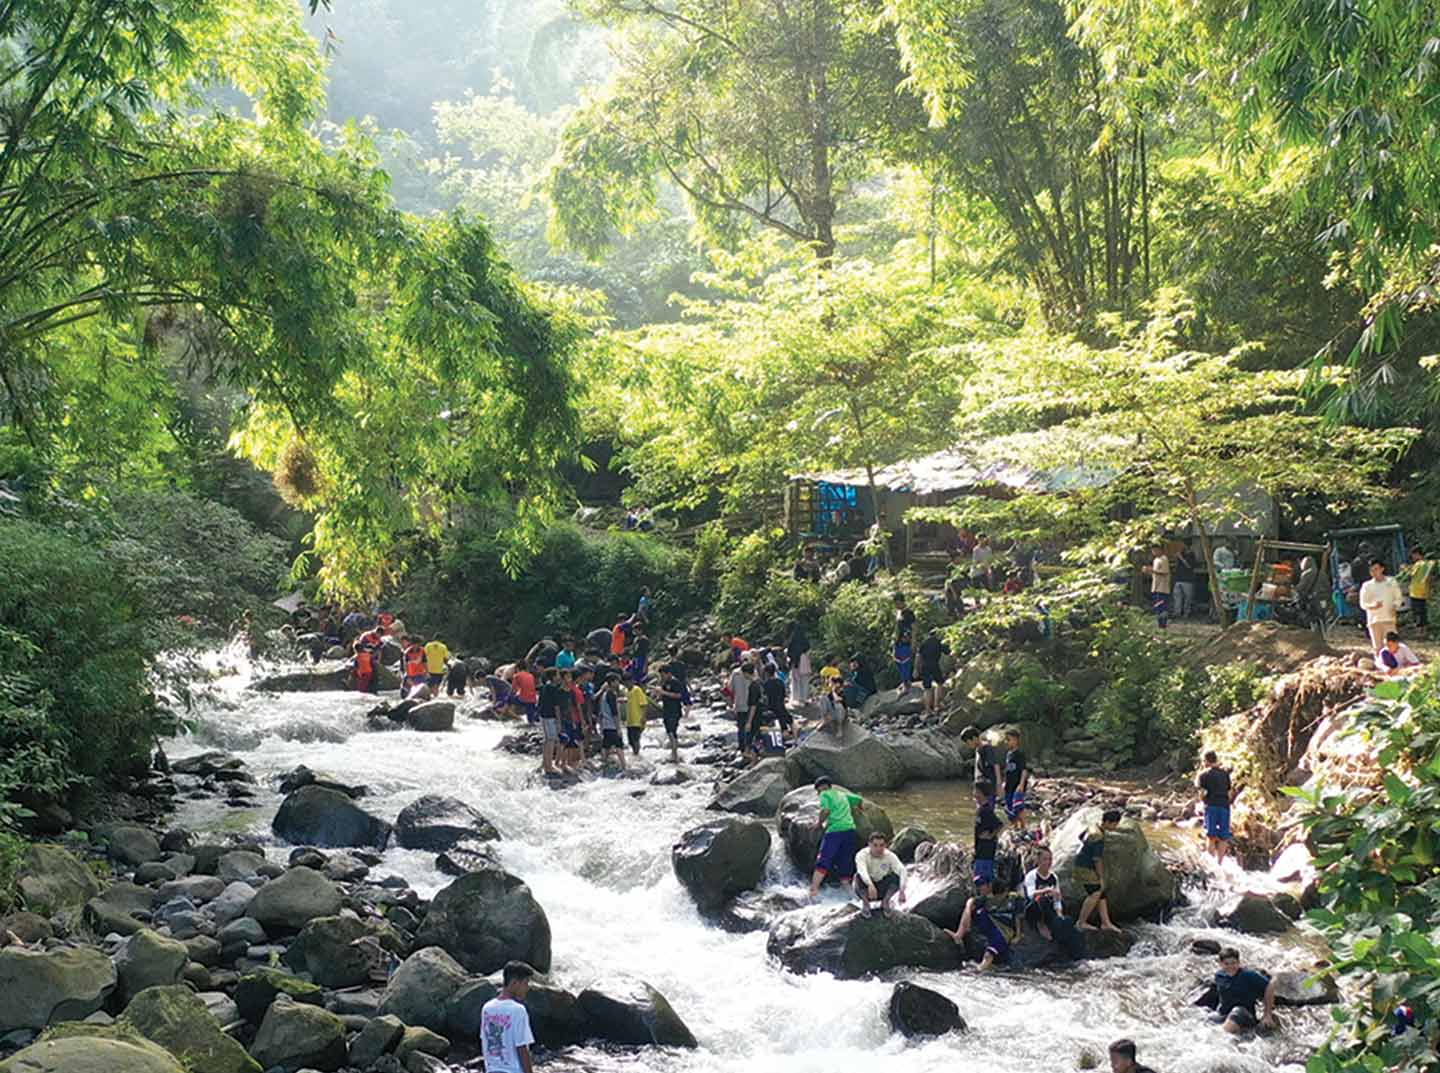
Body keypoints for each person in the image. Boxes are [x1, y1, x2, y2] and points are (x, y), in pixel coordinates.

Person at [809, 776, 863, 898]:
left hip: (835, 831)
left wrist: (818, 824)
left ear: (820, 789)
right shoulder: (842, 794)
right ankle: (848, 889)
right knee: (846, 859)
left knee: (824, 858)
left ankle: (813, 889)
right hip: (850, 830)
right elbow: (859, 799)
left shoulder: (825, 795)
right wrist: (860, 809)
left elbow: (826, 811)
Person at [944, 874, 1009, 970]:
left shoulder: (992, 898)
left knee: (989, 954)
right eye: (978, 886)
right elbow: (970, 904)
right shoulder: (982, 899)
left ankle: (981, 968)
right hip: (988, 928)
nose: (979, 888)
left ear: (989, 885)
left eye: (981, 885)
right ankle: (959, 935)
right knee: (971, 907)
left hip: (999, 932)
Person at [480, 960, 536, 1073]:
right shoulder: (518, 1010)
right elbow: (522, 1048)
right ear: (514, 983)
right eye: (526, 983)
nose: (527, 988)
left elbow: (485, 1041)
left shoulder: (487, 1008)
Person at [1075, 809, 1123, 932]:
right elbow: (1097, 859)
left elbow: (1080, 836)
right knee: (1095, 892)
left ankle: (1106, 923)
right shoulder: (1098, 837)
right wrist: (1101, 877)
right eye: (1114, 824)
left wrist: (1086, 848)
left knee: (1102, 893)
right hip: (1085, 867)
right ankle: (1081, 922)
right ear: (1107, 822)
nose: (1115, 827)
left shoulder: (1093, 827)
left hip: (1082, 862)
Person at [1213, 947, 1278, 1033]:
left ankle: (1222, 1038)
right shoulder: (1219, 976)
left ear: (1239, 962)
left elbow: (1270, 984)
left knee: (1237, 1011)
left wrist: (1267, 1014)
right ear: (1220, 964)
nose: (1230, 966)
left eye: (1233, 963)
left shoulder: (1248, 975)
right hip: (1224, 1014)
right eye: (1226, 964)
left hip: (1244, 1015)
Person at [854, 831, 906, 917]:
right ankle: (866, 904)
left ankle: (885, 902)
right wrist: (870, 884)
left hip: (882, 887)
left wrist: (902, 890)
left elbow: (902, 870)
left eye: (881, 845)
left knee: (896, 877)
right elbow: (862, 871)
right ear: (869, 845)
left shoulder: (890, 856)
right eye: (875, 845)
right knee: (858, 877)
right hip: (867, 889)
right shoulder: (861, 855)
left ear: (885, 845)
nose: (878, 849)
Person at [1197, 750, 1236, 864]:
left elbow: (1202, 793)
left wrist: (1203, 802)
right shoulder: (1225, 774)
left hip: (1211, 806)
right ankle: (1220, 862)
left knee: (1211, 835)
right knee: (1224, 836)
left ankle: (1210, 863)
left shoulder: (1203, 775)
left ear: (1206, 761)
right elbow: (1229, 793)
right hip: (1224, 806)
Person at [1360, 558, 1404, 652]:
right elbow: (1363, 603)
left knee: (1393, 646)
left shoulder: (1391, 582)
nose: (1374, 572)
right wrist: (1373, 606)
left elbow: (1398, 598)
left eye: (1376, 569)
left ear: (1382, 569)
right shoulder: (1367, 585)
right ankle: (1380, 665)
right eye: (1372, 570)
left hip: (1389, 618)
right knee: (1378, 647)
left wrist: (1394, 607)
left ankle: (1395, 665)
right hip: (1374, 620)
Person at [972, 779, 1001, 885]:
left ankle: (986, 897)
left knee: (982, 880)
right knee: (980, 879)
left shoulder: (986, 810)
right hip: (980, 850)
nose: (973, 793)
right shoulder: (981, 809)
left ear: (981, 793)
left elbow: (999, 824)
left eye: (975, 790)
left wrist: (990, 835)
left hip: (986, 851)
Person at [537, 668, 564, 776]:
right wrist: (559, 721)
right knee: (551, 740)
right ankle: (549, 767)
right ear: (553, 677)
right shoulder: (552, 688)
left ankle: (545, 763)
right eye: (557, 675)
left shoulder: (544, 687)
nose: (559, 677)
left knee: (547, 740)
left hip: (543, 716)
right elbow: (556, 706)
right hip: (550, 717)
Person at [1002, 727, 1030, 832]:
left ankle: (1023, 827)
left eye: (1008, 740)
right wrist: (1004, 782)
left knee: (1018, 807)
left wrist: (1021, 785)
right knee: (1009, 808)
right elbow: (1007, 770)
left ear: (1016, 740)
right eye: (1006, 740)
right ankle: (1015, 827)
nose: (1006, 742)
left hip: (1017, 785)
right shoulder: (1008, 754)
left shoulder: (1020, 755)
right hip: (1009, 785)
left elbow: (1024, 770)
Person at [597, 673, 626, 770]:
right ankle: (624, 766)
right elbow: (615, 713)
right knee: (619, 745)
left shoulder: (604, 694)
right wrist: (618, 728)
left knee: (606, 745)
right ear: (612, 682)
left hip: (606, 725)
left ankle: (603, 764)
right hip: (612, 725)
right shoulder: (611, 694)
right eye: (617, 681)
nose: (618, 683)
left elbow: (601, 712)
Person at [961, 726, 1004, 791]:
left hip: (991, 782)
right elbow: (977, 769)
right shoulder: (978, 750)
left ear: (974, 738)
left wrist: (999, 784)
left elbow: (996, 765)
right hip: (984, 783)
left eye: (968, 742)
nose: (968, 745)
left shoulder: (987, 748)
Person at [760, 663, 792, 745]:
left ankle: (771, 741)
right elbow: (784, 695)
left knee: (767, 723)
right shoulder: (780, 682)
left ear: (766, 673)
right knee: (786, 722)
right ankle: (791, 739)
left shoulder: (766, 684)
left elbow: (765, 697)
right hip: (781, 706)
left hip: (771, 707)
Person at [659, 668, 684, 763]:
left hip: (674, 711)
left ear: (669, 673)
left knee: (672, 731)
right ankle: (674, 752)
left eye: (663, 675)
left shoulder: (675, 682)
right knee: (669, 731)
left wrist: (664, 693)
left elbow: (678, 695)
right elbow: (663, 695)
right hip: (666, 710)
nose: (662, 677)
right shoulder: (664, 683)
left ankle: (675, 754)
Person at [1143, 544, 1172, 628]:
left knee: (1162, 606)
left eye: (1154, 550)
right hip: (1155, 586)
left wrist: (1151, 570)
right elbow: (1155, 572)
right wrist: (1149, 571)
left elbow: (1164, 571)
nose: (1153, 552)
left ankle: (1163, 624)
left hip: (1162, 587)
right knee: (1157, 606)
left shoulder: (1164, 559)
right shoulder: (1155, 560)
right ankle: (1159, 623)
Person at [785, 621, 812, 706]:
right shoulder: (804, 639)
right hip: (804, 663)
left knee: (796, 681)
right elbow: (808, 649)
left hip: (795, 664)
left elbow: (789, 653)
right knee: (805, 681)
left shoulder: (792, 641)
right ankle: (804, 698)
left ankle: (796, 699)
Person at [892, 595, 915, 693]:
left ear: (902, 602)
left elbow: (914, 628)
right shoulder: (898, 613)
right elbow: (897, 627)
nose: (896, 606)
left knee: (905, 662)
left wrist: (913, 642)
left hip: (906, 641)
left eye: (897, 603)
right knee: (898, 661)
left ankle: (907, 684)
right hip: (898, 641)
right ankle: (904, 681)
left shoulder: (909, 613)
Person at [729, 661, 752, 754]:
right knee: (751, 727)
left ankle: (742, 748)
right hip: (750, 704)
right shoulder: (752, 672)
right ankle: (749, 747)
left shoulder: (735, 673)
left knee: (741, 727)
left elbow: (730, 689)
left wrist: (731, 703)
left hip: (739, 704)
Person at [1408, 546, 1433, 633]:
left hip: (1415, 592)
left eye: (1413, 555)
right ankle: (1424, 630)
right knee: (1423, 612)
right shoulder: (1428, 564)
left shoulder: (1419, 564)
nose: (1412, 557)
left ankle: (1419, 632)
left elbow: (1411, 574)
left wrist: (1405, 569)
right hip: (1423, 592)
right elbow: (1429, 578)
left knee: (1417, 613)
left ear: (1417, 554)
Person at [1173, 544, 1199, 619]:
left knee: (1188, 598)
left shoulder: (1191, 555)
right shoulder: (1180, 554)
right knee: (1177, 597)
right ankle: (1177, 612)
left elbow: (1189, 565)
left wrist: (1180, 557)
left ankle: (1186, 613)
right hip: (1178, 579)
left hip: (1188, 580)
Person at [625, 677, 649, 756]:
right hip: (629, 721)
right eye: (626, 682)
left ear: (632, 681)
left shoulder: (637, 690)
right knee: (630, 740)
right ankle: (635, 753)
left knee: (635, 739)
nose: (627, 684)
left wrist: (643, 717)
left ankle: (637, 754)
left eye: (628, 682)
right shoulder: (628, 692)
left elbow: (644, 704)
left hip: (637, 720)